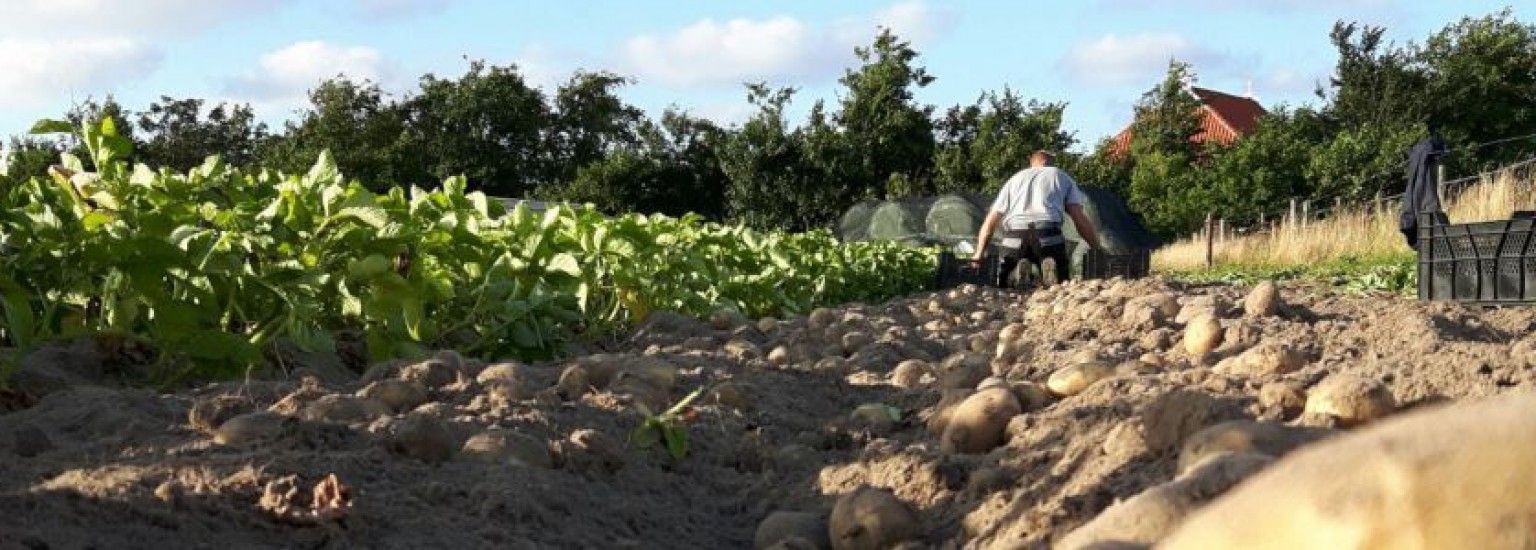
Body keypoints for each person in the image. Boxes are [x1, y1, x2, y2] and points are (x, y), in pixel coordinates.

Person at [970, 150, 1102, 288]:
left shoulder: (1014, 179)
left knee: (1004, 285)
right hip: (1048, 235)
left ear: (1032, 162)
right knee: (1060, 285)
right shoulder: (1061, 176)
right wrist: (1096, 249)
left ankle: (1015, 272)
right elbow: (1078, 218)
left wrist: (978, 253)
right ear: (1047, 162)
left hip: (1014, 237)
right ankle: (1050, 268)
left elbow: (990, 222)